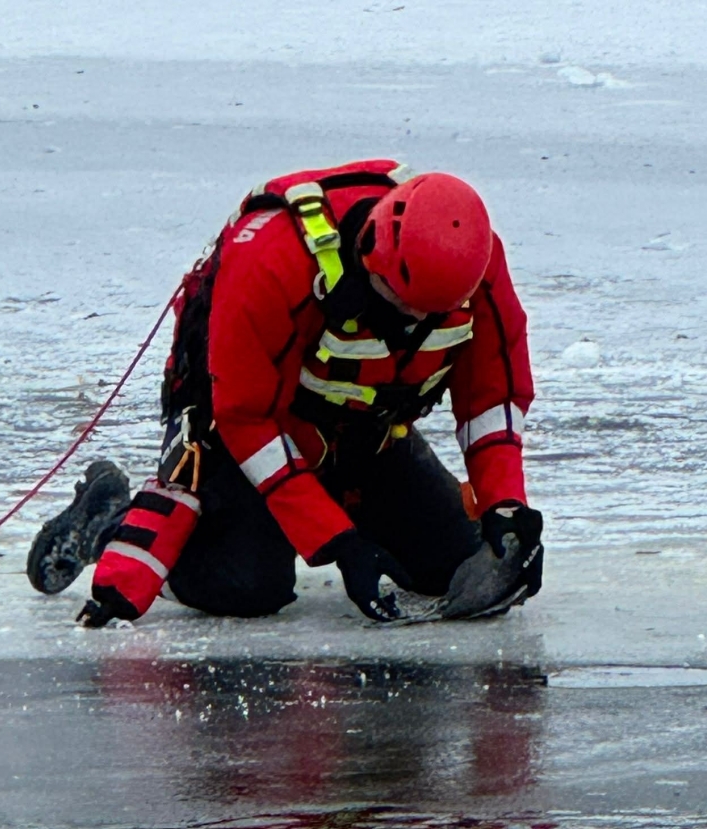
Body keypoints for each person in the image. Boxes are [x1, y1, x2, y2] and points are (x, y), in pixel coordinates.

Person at [27, 158, 544, 626]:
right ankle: (110, 515)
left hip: (367, 434)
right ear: (370, 253)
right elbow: (246, 419)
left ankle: (358, 505)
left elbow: (493, 395)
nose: (413, 322)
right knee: (244, 588)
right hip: (241, 431)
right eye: (399, 303)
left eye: (430, 314)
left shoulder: (474, 264)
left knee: (455, 566)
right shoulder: (272, 258)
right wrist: (337, 543)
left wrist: (505, 508)